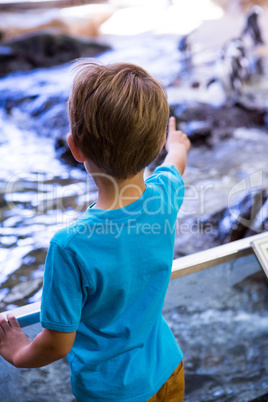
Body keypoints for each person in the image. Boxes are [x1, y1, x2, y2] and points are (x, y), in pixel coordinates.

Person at [0, 61, 190, 401]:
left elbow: (57, 342)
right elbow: (174, 164)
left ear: (75, 147)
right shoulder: (164, 196)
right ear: (156, 143)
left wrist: (18, 353)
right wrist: (176, 145)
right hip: (168, 369)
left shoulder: (70, 246)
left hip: (113, 393)